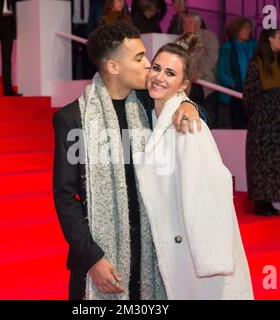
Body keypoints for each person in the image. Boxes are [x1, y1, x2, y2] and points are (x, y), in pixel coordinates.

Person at [52, 21, 205, 300]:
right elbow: (64, 197)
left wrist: (187, 104)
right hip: (98, 261)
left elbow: (194, 115)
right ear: (113, 67)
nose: (148, 64)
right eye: (139, 58)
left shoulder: (150, 105)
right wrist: (93, 257)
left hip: (152, 254)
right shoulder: (73, 119)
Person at [133, 32, 253, 299]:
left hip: (193, 248)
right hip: (169, 244)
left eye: (170, 73)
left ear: (183, 85)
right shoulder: (148, 112)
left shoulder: (188, 124)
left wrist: (211, 255)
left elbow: (209, 187)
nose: (159, 77)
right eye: (156, 68)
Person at [243, 28, 280, 216]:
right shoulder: (256, 64)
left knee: (277, 160)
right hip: (262, 118)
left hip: (278, 116)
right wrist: (258, 116)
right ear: (270, 40)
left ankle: (269, 200)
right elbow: (249, 95)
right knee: (261, 160)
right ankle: (260, 202)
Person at [217, 17, 256, 129]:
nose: (248, 31)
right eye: (245, 28)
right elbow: (221, 70)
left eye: (249, 28)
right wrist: (231, 82)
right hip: (234, 93)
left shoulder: (253, 46)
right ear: (236, 30)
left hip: (251, 93)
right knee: (237, 125)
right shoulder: (227, 47)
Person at [183, 12, 219, 128]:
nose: (185, 25)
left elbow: (211, 57)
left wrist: (198, 73)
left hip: (206, 86)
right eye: (184, 22)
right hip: (188, 86)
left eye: (189, 22)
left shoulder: (209, 37)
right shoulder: (180, 39)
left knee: (208, 120)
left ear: (198, 24)